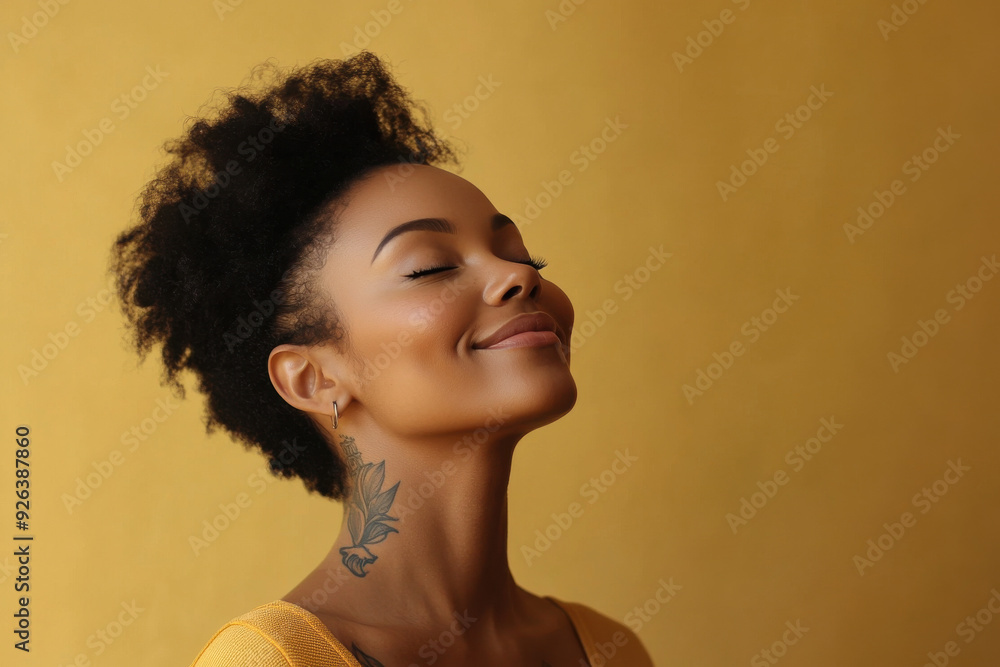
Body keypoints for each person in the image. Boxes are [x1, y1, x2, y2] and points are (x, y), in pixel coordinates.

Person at [110, 51, 654, 666]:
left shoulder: (607, 649)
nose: (517, 276)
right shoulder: (276, 661)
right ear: (314, 378)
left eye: (526, 256)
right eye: (430, 267)